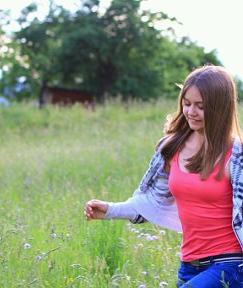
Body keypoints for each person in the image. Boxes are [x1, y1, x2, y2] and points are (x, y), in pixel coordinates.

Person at [84, 65, 243, 287]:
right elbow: (152, 202)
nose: (191, 112)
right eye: (186, 104)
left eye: (201, 106)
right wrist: (110, 210)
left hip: (230, 265)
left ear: (220, 108)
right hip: (188, 265)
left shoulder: (236, 156)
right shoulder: (171, 148)